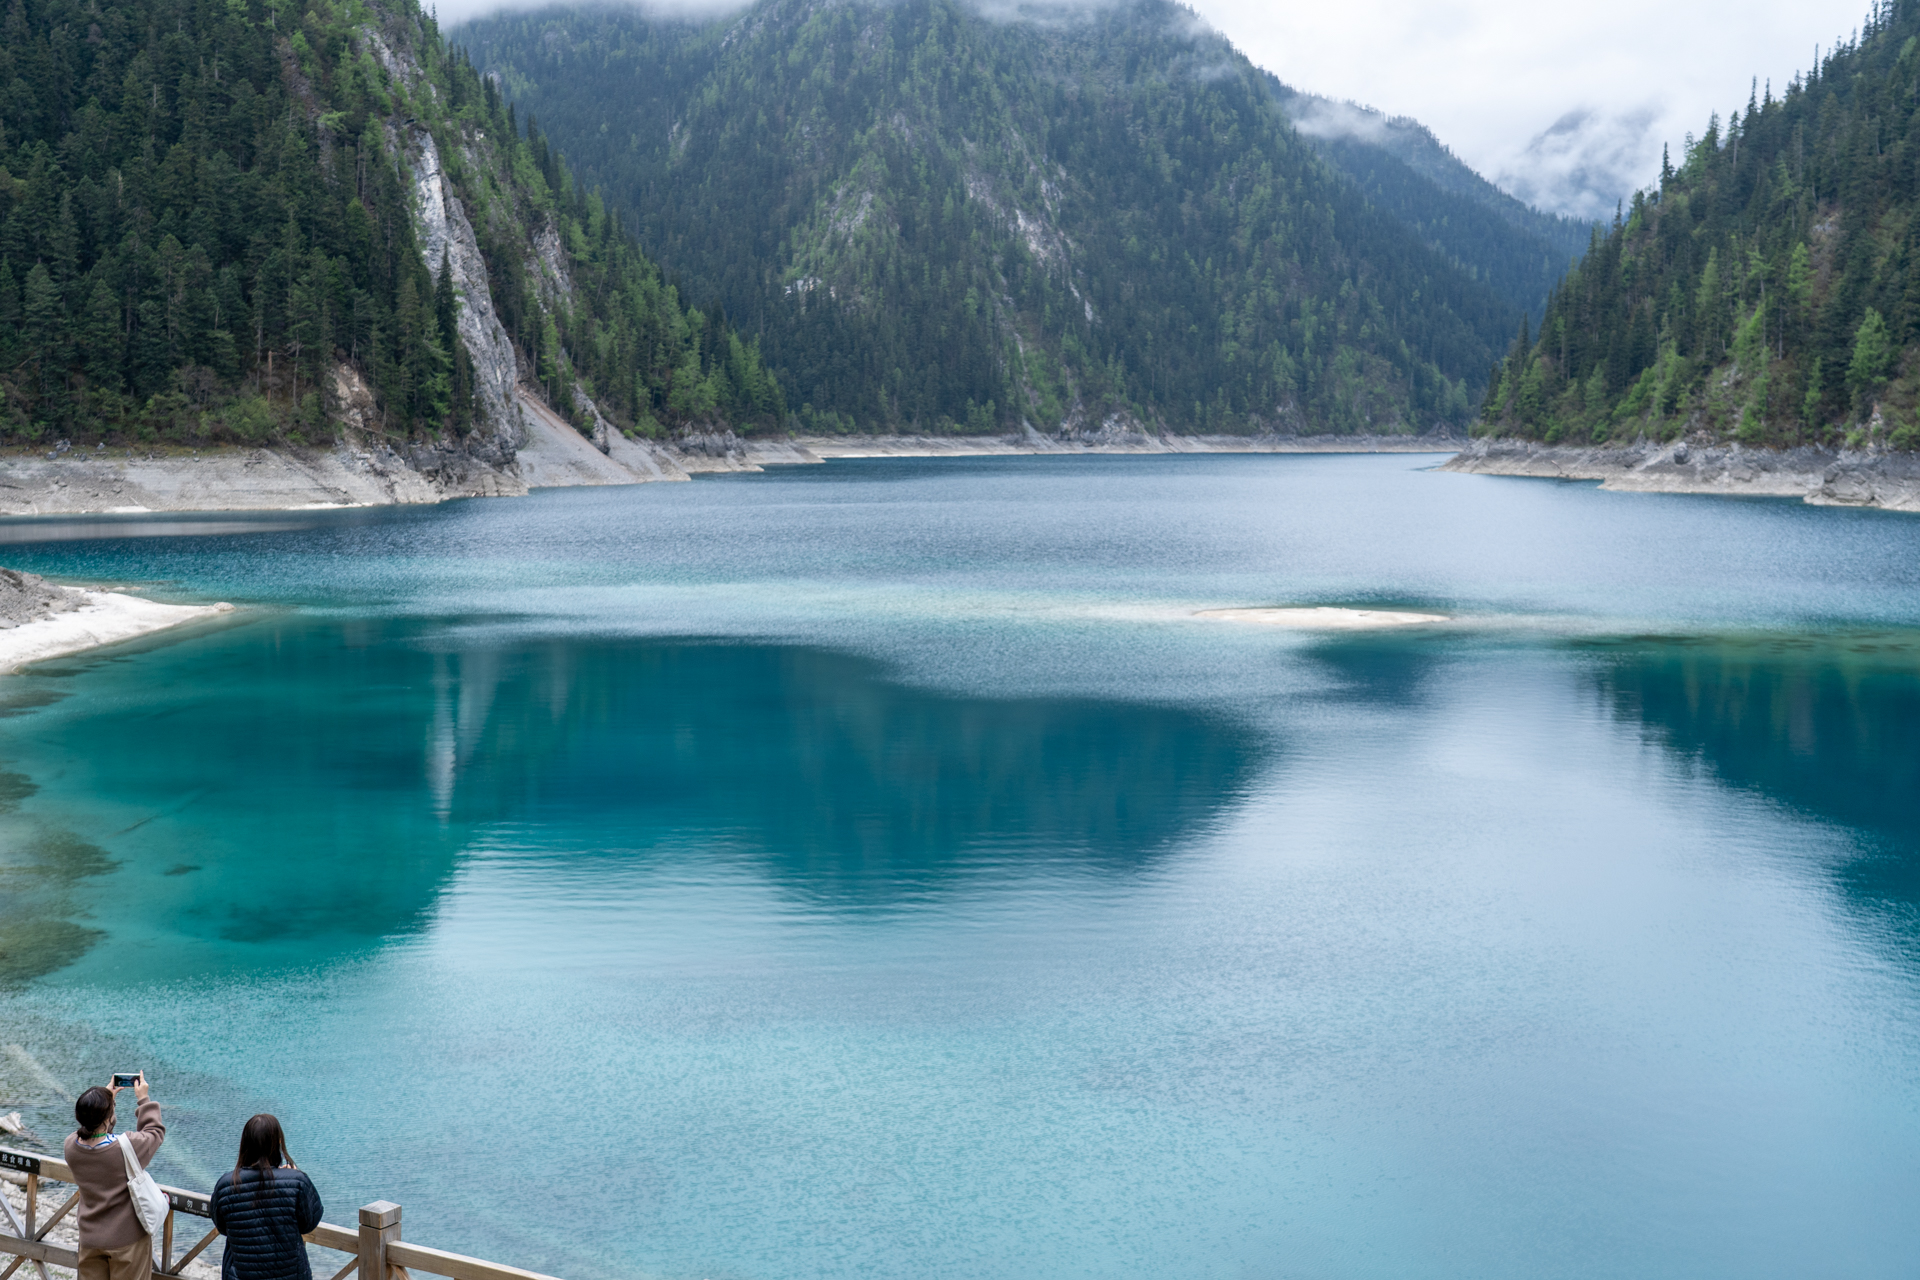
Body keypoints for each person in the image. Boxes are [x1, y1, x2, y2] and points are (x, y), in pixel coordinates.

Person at [63, 1073, 165, 1280]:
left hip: (90, 1238)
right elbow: (154, 1131)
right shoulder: (127, 1147)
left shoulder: (71, 1146)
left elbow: (94, 1132)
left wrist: (105, 1100)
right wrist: (144, 1099)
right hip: (127, 1240)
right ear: (109, 1117)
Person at [209, 1115, 323, 1280]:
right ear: (277, 1143)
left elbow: (222, 1227)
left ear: (245, 1144)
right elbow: (309, 1223)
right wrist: (294, 1174)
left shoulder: (226, 1185)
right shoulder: (297, 1182)